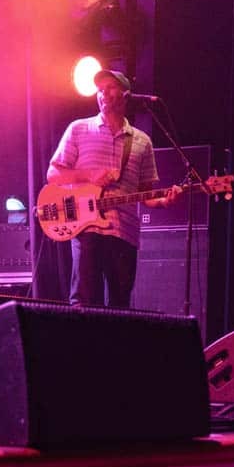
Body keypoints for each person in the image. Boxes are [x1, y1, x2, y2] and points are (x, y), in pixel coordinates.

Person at [47, 69, 180, 308]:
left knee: (120, 305)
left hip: (125, 232)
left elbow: (147, 193)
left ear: (125, 94)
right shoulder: (79, 129)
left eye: (110, 87)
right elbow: (53, 174)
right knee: (85, 302)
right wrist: (89, 175)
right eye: (99, 89)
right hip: (86, 227)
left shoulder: (141, 141)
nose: (103, 93)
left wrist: (164, 201)